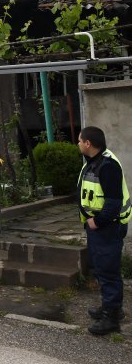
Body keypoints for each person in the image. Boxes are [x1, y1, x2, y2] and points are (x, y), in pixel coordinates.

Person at [77, 126, 131, 335]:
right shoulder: (94, 162)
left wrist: (96, 222)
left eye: (80, 141)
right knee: (102, 268)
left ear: (88, 143)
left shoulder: (107, 166)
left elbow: (113, 203)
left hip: (107, 228)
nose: (78, 144)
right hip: (99, 229)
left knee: (108, 271)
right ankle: (111, 308)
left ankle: (112, 318)